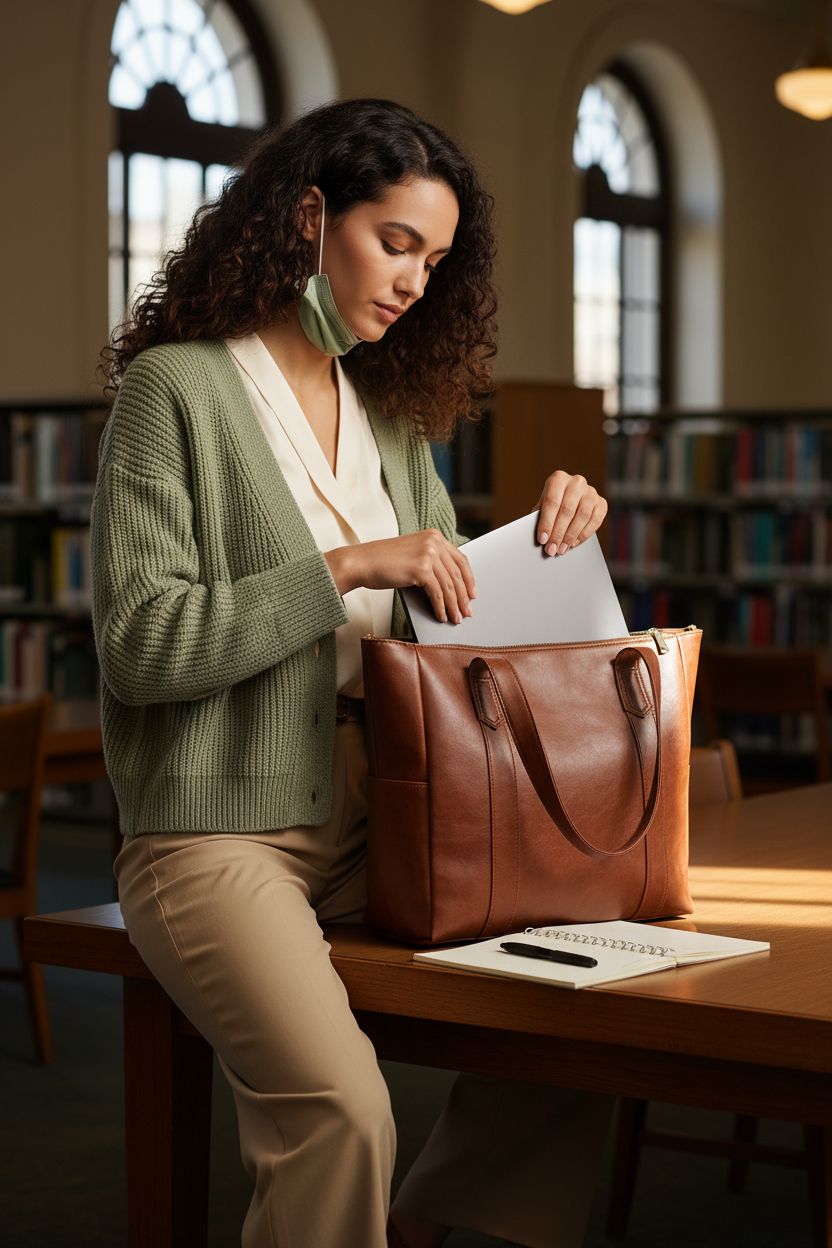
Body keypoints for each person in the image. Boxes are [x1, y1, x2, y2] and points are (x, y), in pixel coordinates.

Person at [91, 97, 613, 1248]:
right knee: (340, 1111)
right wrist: (346, 566)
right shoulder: (171, 392)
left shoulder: (388, 418)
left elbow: (444, 627)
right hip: (217, 835)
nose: (415, 280)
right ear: (309, 215)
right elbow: (141, 648)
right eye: (395, 243)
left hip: (396, 812)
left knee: (581, 1026)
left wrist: (539, 544)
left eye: (434, 258)